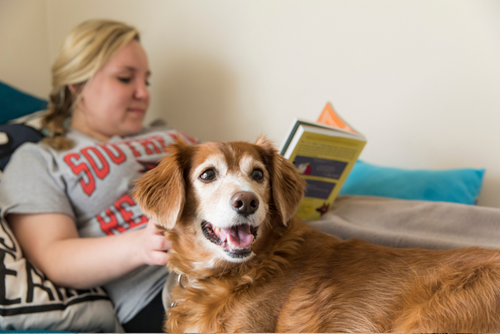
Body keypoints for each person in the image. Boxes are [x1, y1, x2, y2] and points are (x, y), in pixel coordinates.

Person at [0, 19, 192, 333]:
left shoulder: (168, 134)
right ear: (77, 83)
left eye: (146, 81)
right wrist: (140, 246)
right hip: (165, 289)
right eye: (125, 78)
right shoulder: (40, 158)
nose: (143, 93)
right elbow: (53, 254)